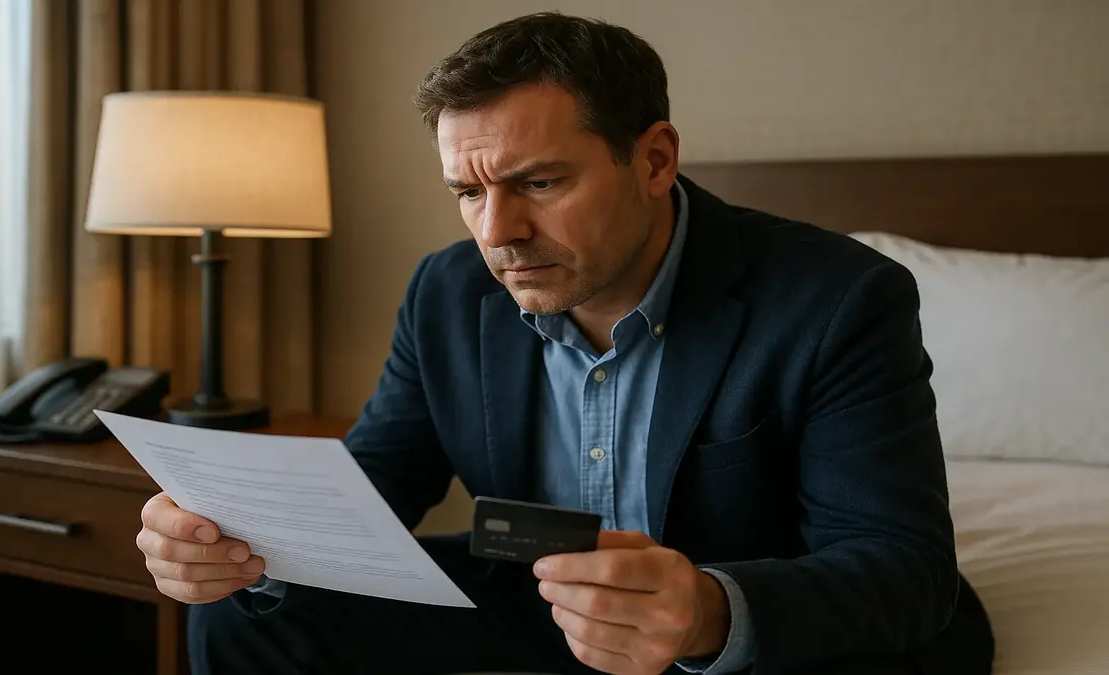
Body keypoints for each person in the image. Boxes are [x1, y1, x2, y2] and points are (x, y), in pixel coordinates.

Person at [134, 12, 994, 675]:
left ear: (654, 160)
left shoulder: (837, 297)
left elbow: (901, 568)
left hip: (727, 606)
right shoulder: (448, 289)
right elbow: (375, 491)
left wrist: (706, 610)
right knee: (245, 613)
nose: (497, 232)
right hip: (535, 588)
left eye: (538, 182)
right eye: (467, 192)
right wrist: (239, 542)